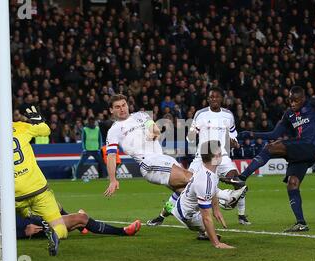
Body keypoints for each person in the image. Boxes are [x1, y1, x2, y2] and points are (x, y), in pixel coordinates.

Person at [232, 86, 315, 232]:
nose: (292, 103)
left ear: (302, 99)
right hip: (301, 152)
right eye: (290, 100)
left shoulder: (313, 103)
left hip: (311, 146)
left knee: (270, 148)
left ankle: (242, 177)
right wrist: (251, 134)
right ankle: (301, 223)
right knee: (292, 183)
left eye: (295, 100)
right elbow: (274, 134)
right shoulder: (289, 114)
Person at [103, 94, 247, 212]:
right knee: (189, 177)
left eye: (123, 105)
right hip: (149, 163)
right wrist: (113, 179)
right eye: (117, 107)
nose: (122, 109)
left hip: (163, 158)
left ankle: (198, 224)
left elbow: (156, 130)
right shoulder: (114, 131)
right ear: (111, 110)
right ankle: (226, 196)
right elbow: (111, 156)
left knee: (186, 191)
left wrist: (153, 133)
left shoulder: (141, 115)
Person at [147, 87, 250, 226]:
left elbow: (234, 137)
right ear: (208, 99)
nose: (214, 99)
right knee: (185, 187)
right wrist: (192, 134)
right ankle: (161, 216)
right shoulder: (200, 114)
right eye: (211, 97)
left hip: (223, 156)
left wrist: (234, 143)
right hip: (203, 157)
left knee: (238, 182)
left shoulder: (228, 115)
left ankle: (241, 215)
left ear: (221, 99)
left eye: (217, 96)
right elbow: (190, 136)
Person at [0, 103, 66, 256]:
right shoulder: (21, 126)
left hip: (13, 194)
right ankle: (54, 233)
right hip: (38, 188)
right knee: (60, 227)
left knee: (15, 217)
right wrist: (37, 119)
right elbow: (46, 130)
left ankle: (27, 220)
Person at [0, 178, 141, 239]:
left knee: (57, 206)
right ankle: (123, 231)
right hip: (38, 226)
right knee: (81, 218)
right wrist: (23, 232)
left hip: (35, 221)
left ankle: (82, 226)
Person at [171, 140, 234, 249]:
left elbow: (213, 189)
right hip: (187, 215)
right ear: (215, 157)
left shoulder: (210, 169)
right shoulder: (205, 180)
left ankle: (168, 209)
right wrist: (217, 244)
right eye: (220, 152)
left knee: (209, 222)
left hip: (186, 202)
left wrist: (216, 209)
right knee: (207, 224)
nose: (222, 154)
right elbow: (206, 217)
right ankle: (205, 233)